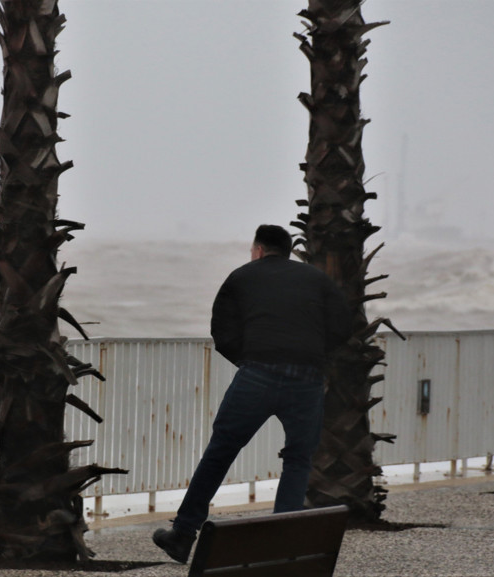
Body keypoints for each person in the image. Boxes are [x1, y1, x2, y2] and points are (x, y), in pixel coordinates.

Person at [152, 224, 354, 564]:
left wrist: (249, 361)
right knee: (298, 460)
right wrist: (314, 359)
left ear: (259, 250)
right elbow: (342, 326)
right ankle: (282, 548)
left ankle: (183, 535)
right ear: (287, 251)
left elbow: (221, 329)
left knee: (220, 452)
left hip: (258, 376)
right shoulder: (317, 279)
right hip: (306, 380)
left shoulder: (242, 276)